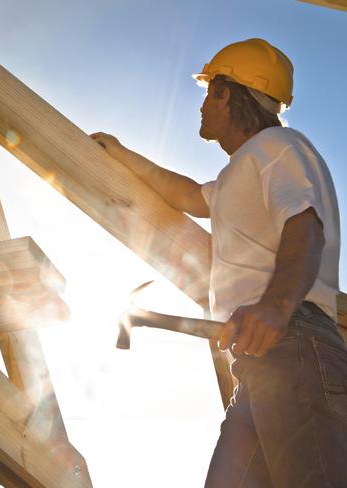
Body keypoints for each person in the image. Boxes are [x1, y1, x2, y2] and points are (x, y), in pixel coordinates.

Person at [91, 38, 345, 487]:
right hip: (260, 362)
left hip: (293, 341)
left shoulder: (278, 147)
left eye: (210, 92)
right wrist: (121, 155)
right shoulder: (242, 170)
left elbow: (305, 225)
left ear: (229, 93)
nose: (204, 105)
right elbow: (190, 195)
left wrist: (277, 306)